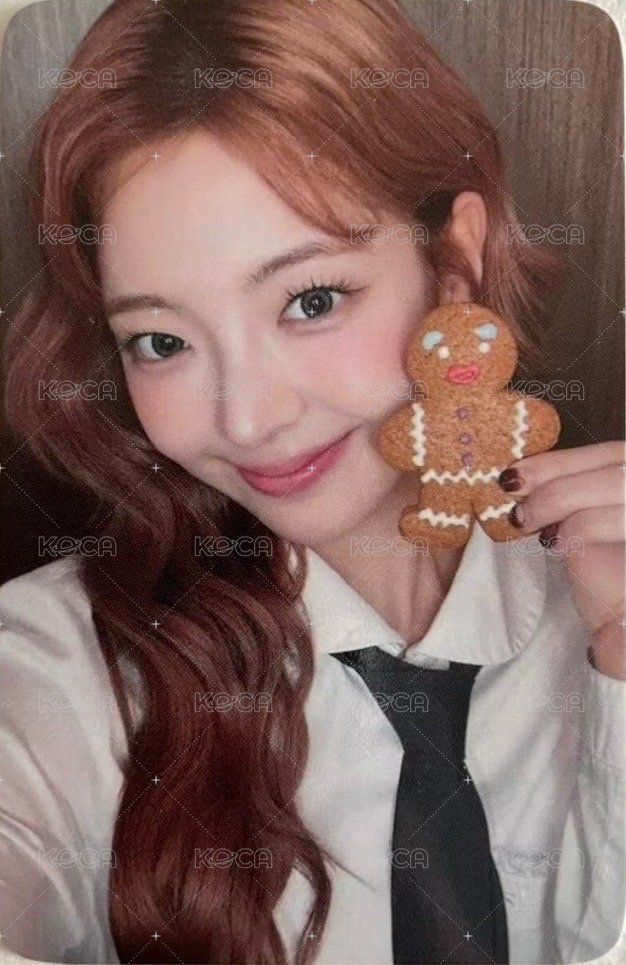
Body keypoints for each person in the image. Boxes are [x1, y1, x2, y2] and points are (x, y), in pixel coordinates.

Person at [1, 0, 624, 962]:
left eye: (311, 299)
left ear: (453, 262)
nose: (247, 419)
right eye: (160, 340)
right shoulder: (53, 671)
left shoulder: (595, 608)